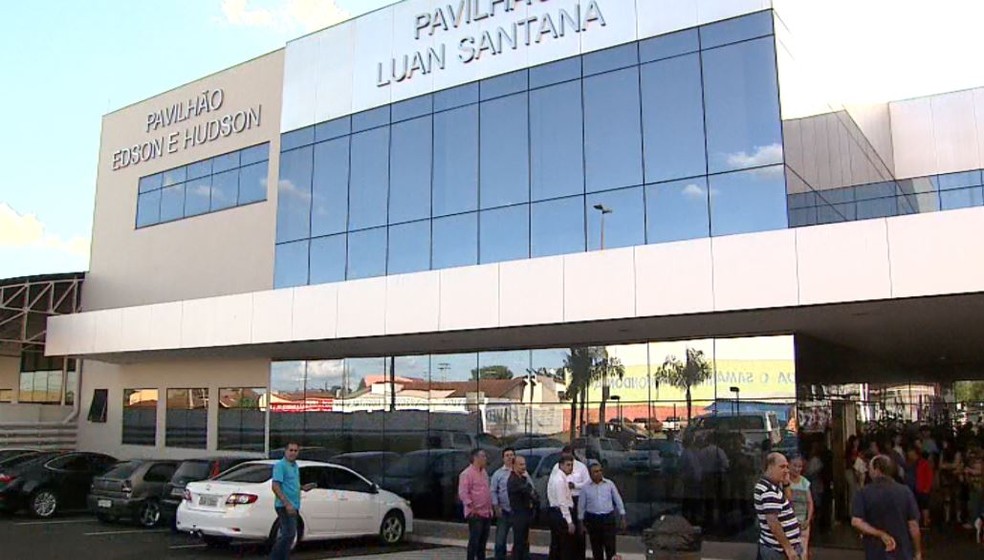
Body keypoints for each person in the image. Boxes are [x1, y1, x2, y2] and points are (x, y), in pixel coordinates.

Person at [851, 455, 923, 560]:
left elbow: (856, 522)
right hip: (902, 553)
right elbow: (913, 526)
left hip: (876, 553)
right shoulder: (905, 491)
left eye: (870, 469)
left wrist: (879, 533)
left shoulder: (863, 493)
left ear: (876, 470)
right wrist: (918, 552)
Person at [270, 441, 317, 560]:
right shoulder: (280, 465)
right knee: (288, 534)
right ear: (285, 451)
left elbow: (290, 484)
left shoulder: (295, 466)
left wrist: (303, 487)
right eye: (290, 450)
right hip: (284, 505)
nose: (293, 453)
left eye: (295, 451)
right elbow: (275, 486)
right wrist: (287, 504)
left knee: (290, 535)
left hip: (294, 505)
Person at [754, 452, 802, 560]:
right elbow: (773, 523)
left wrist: (786, 484)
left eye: (787, 467)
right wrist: (788, 549)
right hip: (778, 551)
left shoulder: (773, 486)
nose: (786, 471)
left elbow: (789, 504)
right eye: (782, 467)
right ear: (770, 467)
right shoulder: (768, 490)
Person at [577, 461, 626, 560]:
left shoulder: (609, 484)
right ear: (590, 474)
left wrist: (623, 516)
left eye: (600, 471)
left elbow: (618, 500)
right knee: (596, 549)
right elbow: (581, 506)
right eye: (595, 472)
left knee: (611, 548)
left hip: (608, 519)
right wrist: (581, 523)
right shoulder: (585, 488)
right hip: (593, 520)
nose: (599, 473)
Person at [552, 444, 590, 560]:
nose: (568, 463)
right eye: (565, 459)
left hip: (577, 499)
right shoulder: (557, 470)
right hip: (563, 502)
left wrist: (575, 485)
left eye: (569, 459)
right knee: (563, 537)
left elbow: (587, 482)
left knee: (579, 532)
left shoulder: (581, 467)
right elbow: (553, 487)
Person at [459, 449, 494, 560]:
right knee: (474, 541)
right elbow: (463, 492)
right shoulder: (466, 474)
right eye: (483, 456)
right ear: (475, 458)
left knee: (482, 543)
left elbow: (487, 490)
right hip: (475, 513)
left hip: (486, 512)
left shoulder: (484, 472)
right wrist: (471, 507)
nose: (485, 459)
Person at [491, 447, 519, 560]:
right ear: (503, 458)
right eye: (507, 455)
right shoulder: (498, 474)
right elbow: (493, 490)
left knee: (520, 540)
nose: (510, 457)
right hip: (504, 511)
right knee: (500, 541)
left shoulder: (520, 471)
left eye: (512, 455)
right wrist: (496, 506)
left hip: (517, 511)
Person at [547, 454, 577, 560]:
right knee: (563, 545)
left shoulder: (557, 477)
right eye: (568, 465)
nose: (570, 467)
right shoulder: (559, 480)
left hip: (556, 512)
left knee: (557, 544)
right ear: (561, 466)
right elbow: (562, 502)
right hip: (560, 514)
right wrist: (569, 521)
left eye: (571, 465)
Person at [508, 455, 537, 560]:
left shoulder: (524, 479)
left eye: (524, 464)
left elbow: (534, 494)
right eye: (521, 464)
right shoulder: (513, 480)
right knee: (519, 543)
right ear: (514, 465)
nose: (523, 467)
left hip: (526, 515)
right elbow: (528, 492)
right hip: (518, 516)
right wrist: (531, 494)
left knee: (525, 542)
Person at [787, 456, 814, 560]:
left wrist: (808, 520)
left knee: (803, 552)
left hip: (803, 522)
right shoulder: (785, 482)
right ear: (789, 465)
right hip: (789, 522)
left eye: (800, 466)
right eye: (795, 466)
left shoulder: (804, 482)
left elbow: (810, 503)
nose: (797, 469)